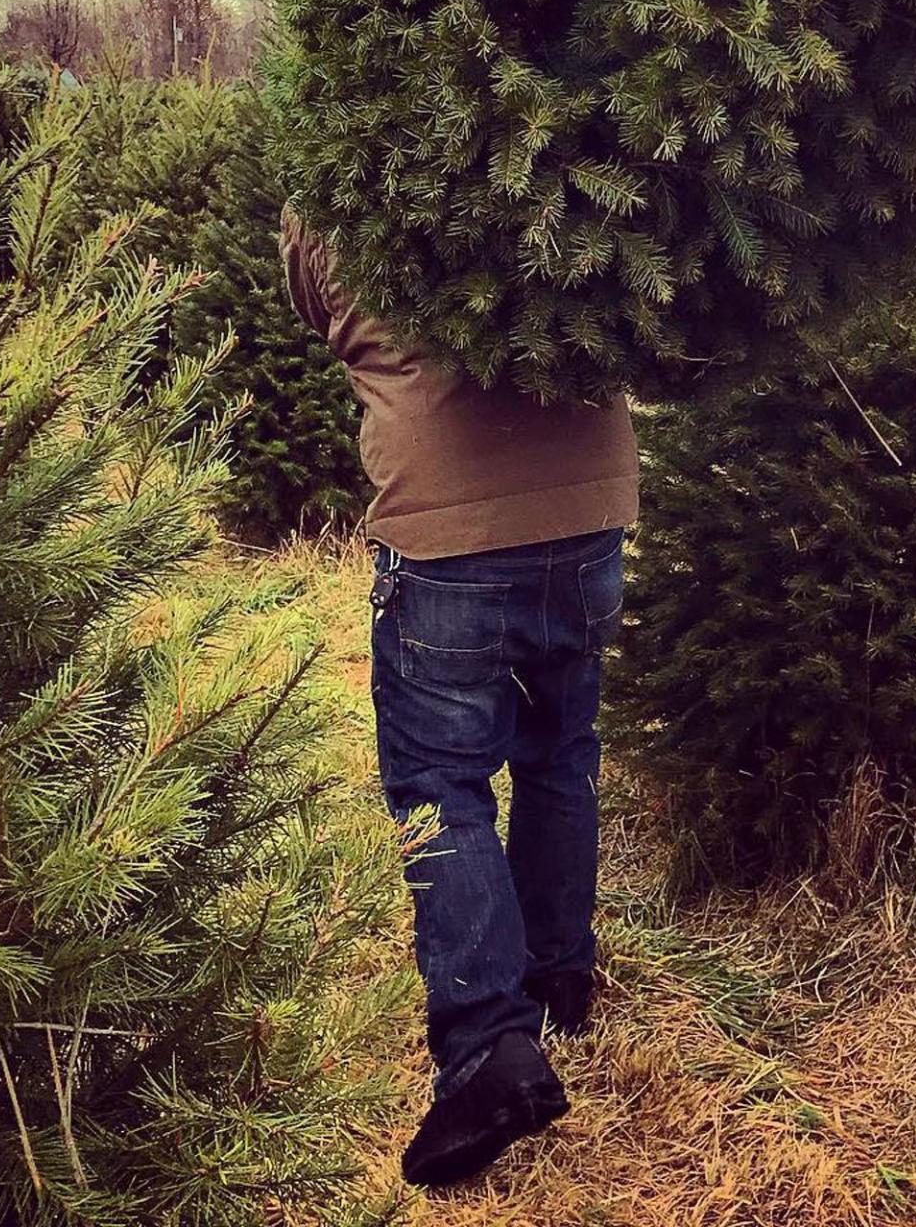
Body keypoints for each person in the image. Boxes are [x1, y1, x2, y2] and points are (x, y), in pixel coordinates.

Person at [279, 205, 639, 1189]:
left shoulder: (346, 171)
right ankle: (559, 972)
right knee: (562, 748)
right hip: (590, 504)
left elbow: (320, 295)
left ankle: (487, 1046)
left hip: (446, 525)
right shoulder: (559, 125)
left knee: (440, 782)